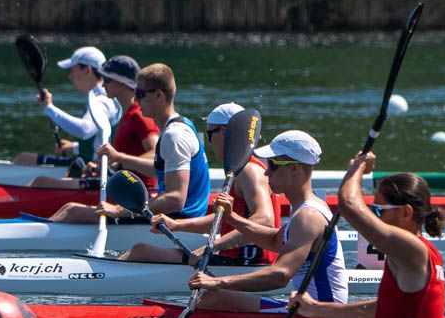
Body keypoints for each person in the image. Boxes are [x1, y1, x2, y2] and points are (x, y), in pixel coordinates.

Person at [251, 153, 445, 318]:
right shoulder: (422, 253)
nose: (375, 217)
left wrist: (357, 169)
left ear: (406, 213)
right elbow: (374, 313)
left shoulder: (412, 249)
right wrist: (315, 308)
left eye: (379, 210)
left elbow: (348, 204)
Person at [182, 129, 348, 311]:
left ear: (293, 168)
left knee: (216, 298)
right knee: (216, 297)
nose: (267, 173)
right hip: (305, 309)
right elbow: (275, 240)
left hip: (322, 316)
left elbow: (280, 275)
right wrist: (232, 218)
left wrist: (219, 281)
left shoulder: (309, 216)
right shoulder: (306, 208)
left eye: (272, 165)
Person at [121, 102, 280, 265]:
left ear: (224, 132)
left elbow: (264, 219)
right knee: (141, 250)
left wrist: (212, 246)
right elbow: (223, 221)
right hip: (236, 258)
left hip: (248, 262)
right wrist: (176, 225)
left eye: (209, 133)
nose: (209, 142)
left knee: (141, 251)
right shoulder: (240, 170)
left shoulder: (249, 170)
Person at [92, 63, 211, 224]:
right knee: (75, 209)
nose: (135, 99)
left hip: (178, 222)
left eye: (140, 94)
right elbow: (161, 171)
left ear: (158, 96)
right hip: (176, 217)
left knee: (74, 211)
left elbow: (176, 199)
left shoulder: (174, 136)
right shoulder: (182, 124)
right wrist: (120, 158)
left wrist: (120, 210)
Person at [48, 55, 159, 222]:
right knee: (69, 208)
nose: (103, 83)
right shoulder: (126, 114)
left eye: (107, 79)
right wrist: (106, 168)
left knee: (72, 212)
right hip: (123, 191)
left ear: (122, 83)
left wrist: (119, 162)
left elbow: (156, 155)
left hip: (137, 198)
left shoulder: (139, 116)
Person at [14, 45, 119, 171]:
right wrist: (74, 147)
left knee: (24, 159)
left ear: (87, 70)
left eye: (73, 71)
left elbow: (85, 130)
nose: (70, 77)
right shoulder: (100, 96)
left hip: (92, 170)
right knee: (24, 158)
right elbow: (99, 139)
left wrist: (49, 108)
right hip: (87, 161)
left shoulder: (102, 100)